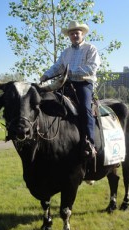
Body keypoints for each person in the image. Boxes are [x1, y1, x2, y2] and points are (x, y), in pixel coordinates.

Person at [40, 20, 101, 158]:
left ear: (82, 34)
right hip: (66, 84)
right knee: (48, 102)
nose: (74, 35)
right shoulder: (65, 52)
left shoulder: (90, 49)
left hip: (83, 84)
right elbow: (58, 67)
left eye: (76, 33)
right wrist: (46, 75)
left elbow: (92, 68)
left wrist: (70, 72)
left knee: (85, 109)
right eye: (71, 33)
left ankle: (90, 143)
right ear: (69, 36)